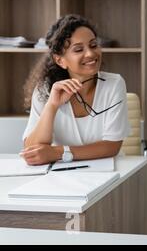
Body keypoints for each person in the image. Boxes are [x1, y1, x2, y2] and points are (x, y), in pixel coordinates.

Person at [21, 14, 130, 166]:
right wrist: (52, 106)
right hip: (62, 177)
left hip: (109, 172)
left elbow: (111, 146)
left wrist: (57, 153)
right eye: (78, 49)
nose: (91, 54)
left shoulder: (113, 84)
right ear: (60, 60)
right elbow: (31, 150)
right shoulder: (45, 90)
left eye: (93, 45)